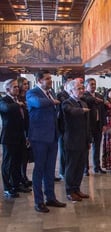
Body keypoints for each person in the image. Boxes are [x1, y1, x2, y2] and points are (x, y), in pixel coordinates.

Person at [26, 70, 67, 213]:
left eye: (50, 78)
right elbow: (36, 103)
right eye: (47, 79)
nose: (50, 80)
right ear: (39, 81)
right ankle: (39, 201)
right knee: (39, 170)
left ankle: (50, 197)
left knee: (50, 169)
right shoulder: (32, 93)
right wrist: (51, 101)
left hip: (52, 137)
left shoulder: (52, 93)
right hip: (39, 138)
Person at [62, 80, 91, 202]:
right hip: (72, 140)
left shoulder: (83, 102)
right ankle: (69, 191)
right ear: (70, 91)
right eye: (78, 89)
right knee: (71, 166)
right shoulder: (66, 103)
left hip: (83, 139)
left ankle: (76, 188)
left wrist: (89, 139)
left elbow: (87, 124)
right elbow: (71, 111)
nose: (82, 91)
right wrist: (82, 111)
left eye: (82, 88)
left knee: (80, 167)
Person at [0, 79, 29, 198]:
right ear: (7, 90)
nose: (18, 89)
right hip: (9, 137)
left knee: (18, 162)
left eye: (18, 87)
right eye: (14, 87)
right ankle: (7, 187)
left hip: (20, 136)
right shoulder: (4, 100)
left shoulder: (18, 100)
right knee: (8, 163)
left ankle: (16, 185)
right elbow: (6, 109)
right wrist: (18, 105)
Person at [83, 78, 106, 174]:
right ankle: (85, 169)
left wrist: (104, 124)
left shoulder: (99, 95)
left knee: (97, 147)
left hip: (98, 124)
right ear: (86, 86)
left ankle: (97, 166)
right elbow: (88, 100)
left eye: (94, 84)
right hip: (88, 125)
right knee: (86, 148)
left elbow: (103, 111)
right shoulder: (84, 96)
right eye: (91, 84)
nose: (93, 86)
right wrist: (96, 100)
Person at [17, 77, 31, 187]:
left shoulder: (28, 96)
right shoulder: (18, 98)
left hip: (28, 126)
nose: (26, 86)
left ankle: (24, 176)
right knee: (21, 156)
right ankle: (20, 178)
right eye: (24, 84)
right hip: (20, 129)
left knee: (25, 156)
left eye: (27, 84)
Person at [56, 80, 71, 178]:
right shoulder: (61, 95)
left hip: (71, 127)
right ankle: (62, 171)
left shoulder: (73, 95)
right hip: (62, 126)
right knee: (63, 150)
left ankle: (69, 169)